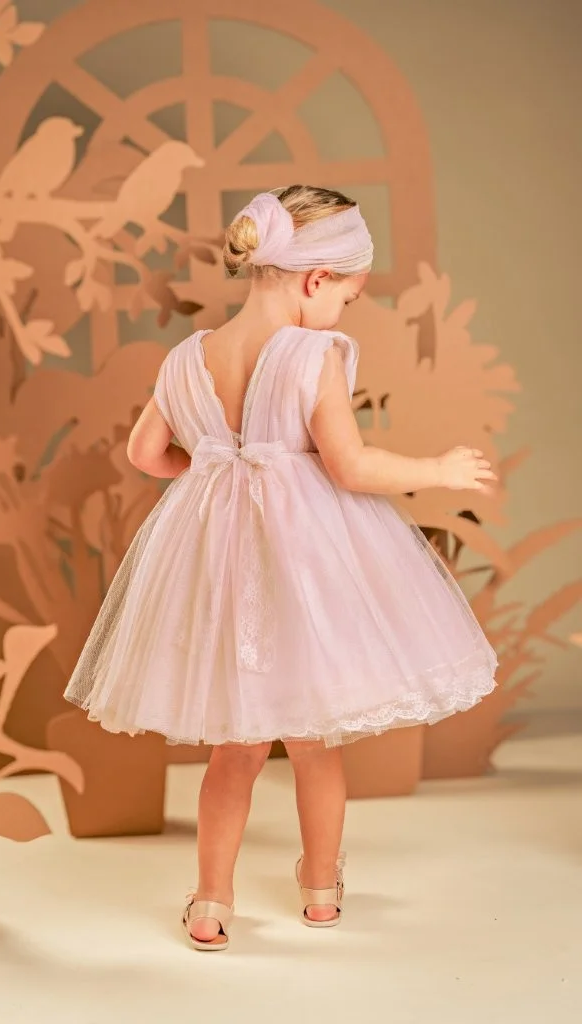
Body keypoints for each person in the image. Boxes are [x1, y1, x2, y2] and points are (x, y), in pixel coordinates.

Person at [64, 185, 498, 952]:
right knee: (311, 741)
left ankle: (210, 901)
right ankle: (321, 891)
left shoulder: (187, 357)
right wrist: (436, 469)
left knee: (232, 748)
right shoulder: (311, 354)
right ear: (314, 279)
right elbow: (350, 466)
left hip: (216, 560)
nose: (344, 313)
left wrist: (213, 470)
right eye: (347, 297)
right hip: (302, 563)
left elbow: (144, 453)